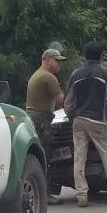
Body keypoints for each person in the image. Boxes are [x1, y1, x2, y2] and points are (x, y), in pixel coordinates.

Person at [64, 41, 107, 207]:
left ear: (84, 55)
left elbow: (68, 102)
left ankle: (81, 196)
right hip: (98, 120)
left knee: (79, 159)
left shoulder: (76, 74)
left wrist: (73, 117)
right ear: (101, 56)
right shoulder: (105, 73)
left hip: (79, 121)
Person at [26, 48, 66, 205]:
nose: (59, 65)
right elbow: (61, 100)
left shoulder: (36, 74)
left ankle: (38, 191)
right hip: (42, 119)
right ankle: (46, 193)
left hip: (33, 117)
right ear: (48, 60)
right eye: (57, 61)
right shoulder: (48, 77)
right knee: (46, 155)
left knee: (37, 154)